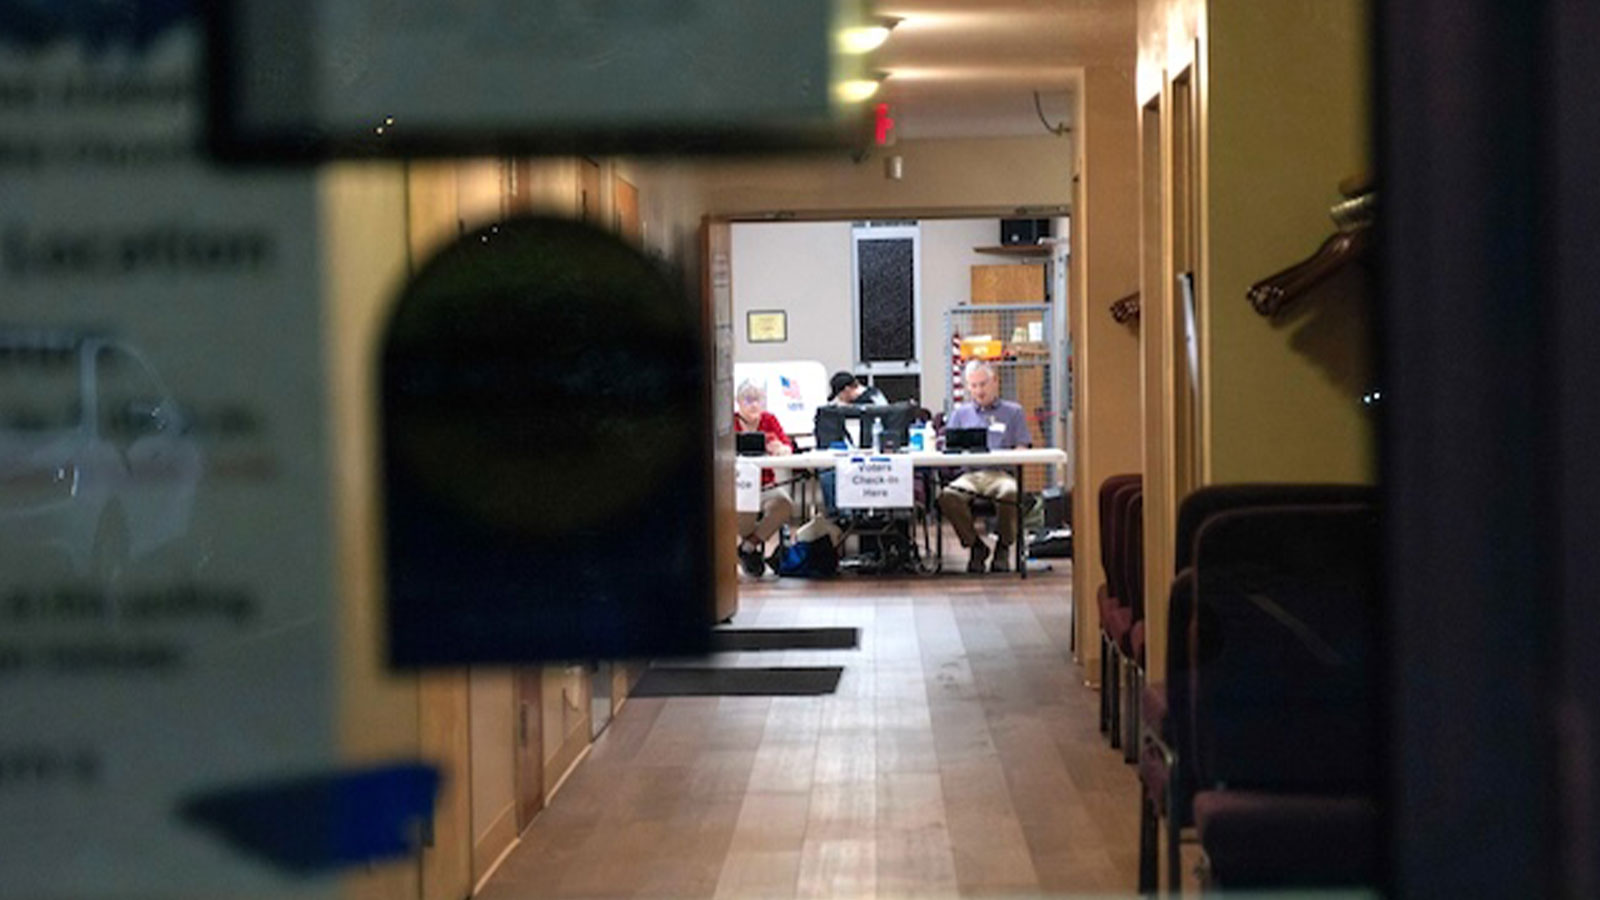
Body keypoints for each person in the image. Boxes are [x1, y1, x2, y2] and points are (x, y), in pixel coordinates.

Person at [937, 359, 1033, 573]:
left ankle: (1003, 546)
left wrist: (1010, 456)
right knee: (947, 496)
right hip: (970, 475)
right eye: (973, 386)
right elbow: (946, 448)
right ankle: (975, 546)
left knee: (1010, 492)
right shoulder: (960, 414)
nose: (978, 391)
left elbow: (1023, 446)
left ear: (995, 382)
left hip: (1000, 474)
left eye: (982, 384)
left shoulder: (1013, 412)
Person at [733, 379, 795, 576]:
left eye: (758, 400)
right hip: (738, 486)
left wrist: (780, 448)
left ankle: (748, 547)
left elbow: (788, 447)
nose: (754, 405)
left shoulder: (769, 420)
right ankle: (749, 550)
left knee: (784, 503)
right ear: (738, 402)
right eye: (748, 400)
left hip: (766, 485)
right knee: (744, 509)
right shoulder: (729, 421)